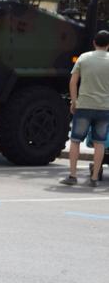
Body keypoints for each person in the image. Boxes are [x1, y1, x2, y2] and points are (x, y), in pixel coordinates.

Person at [59, 30, 109, 188]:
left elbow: (73, 82)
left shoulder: (84, 57)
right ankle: (94, 178)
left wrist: (74, 101)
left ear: (94, 42)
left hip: (84, 105)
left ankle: (72, 176)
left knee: (75, 141)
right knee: (100, 143)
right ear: (108, 45)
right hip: (104, 108)